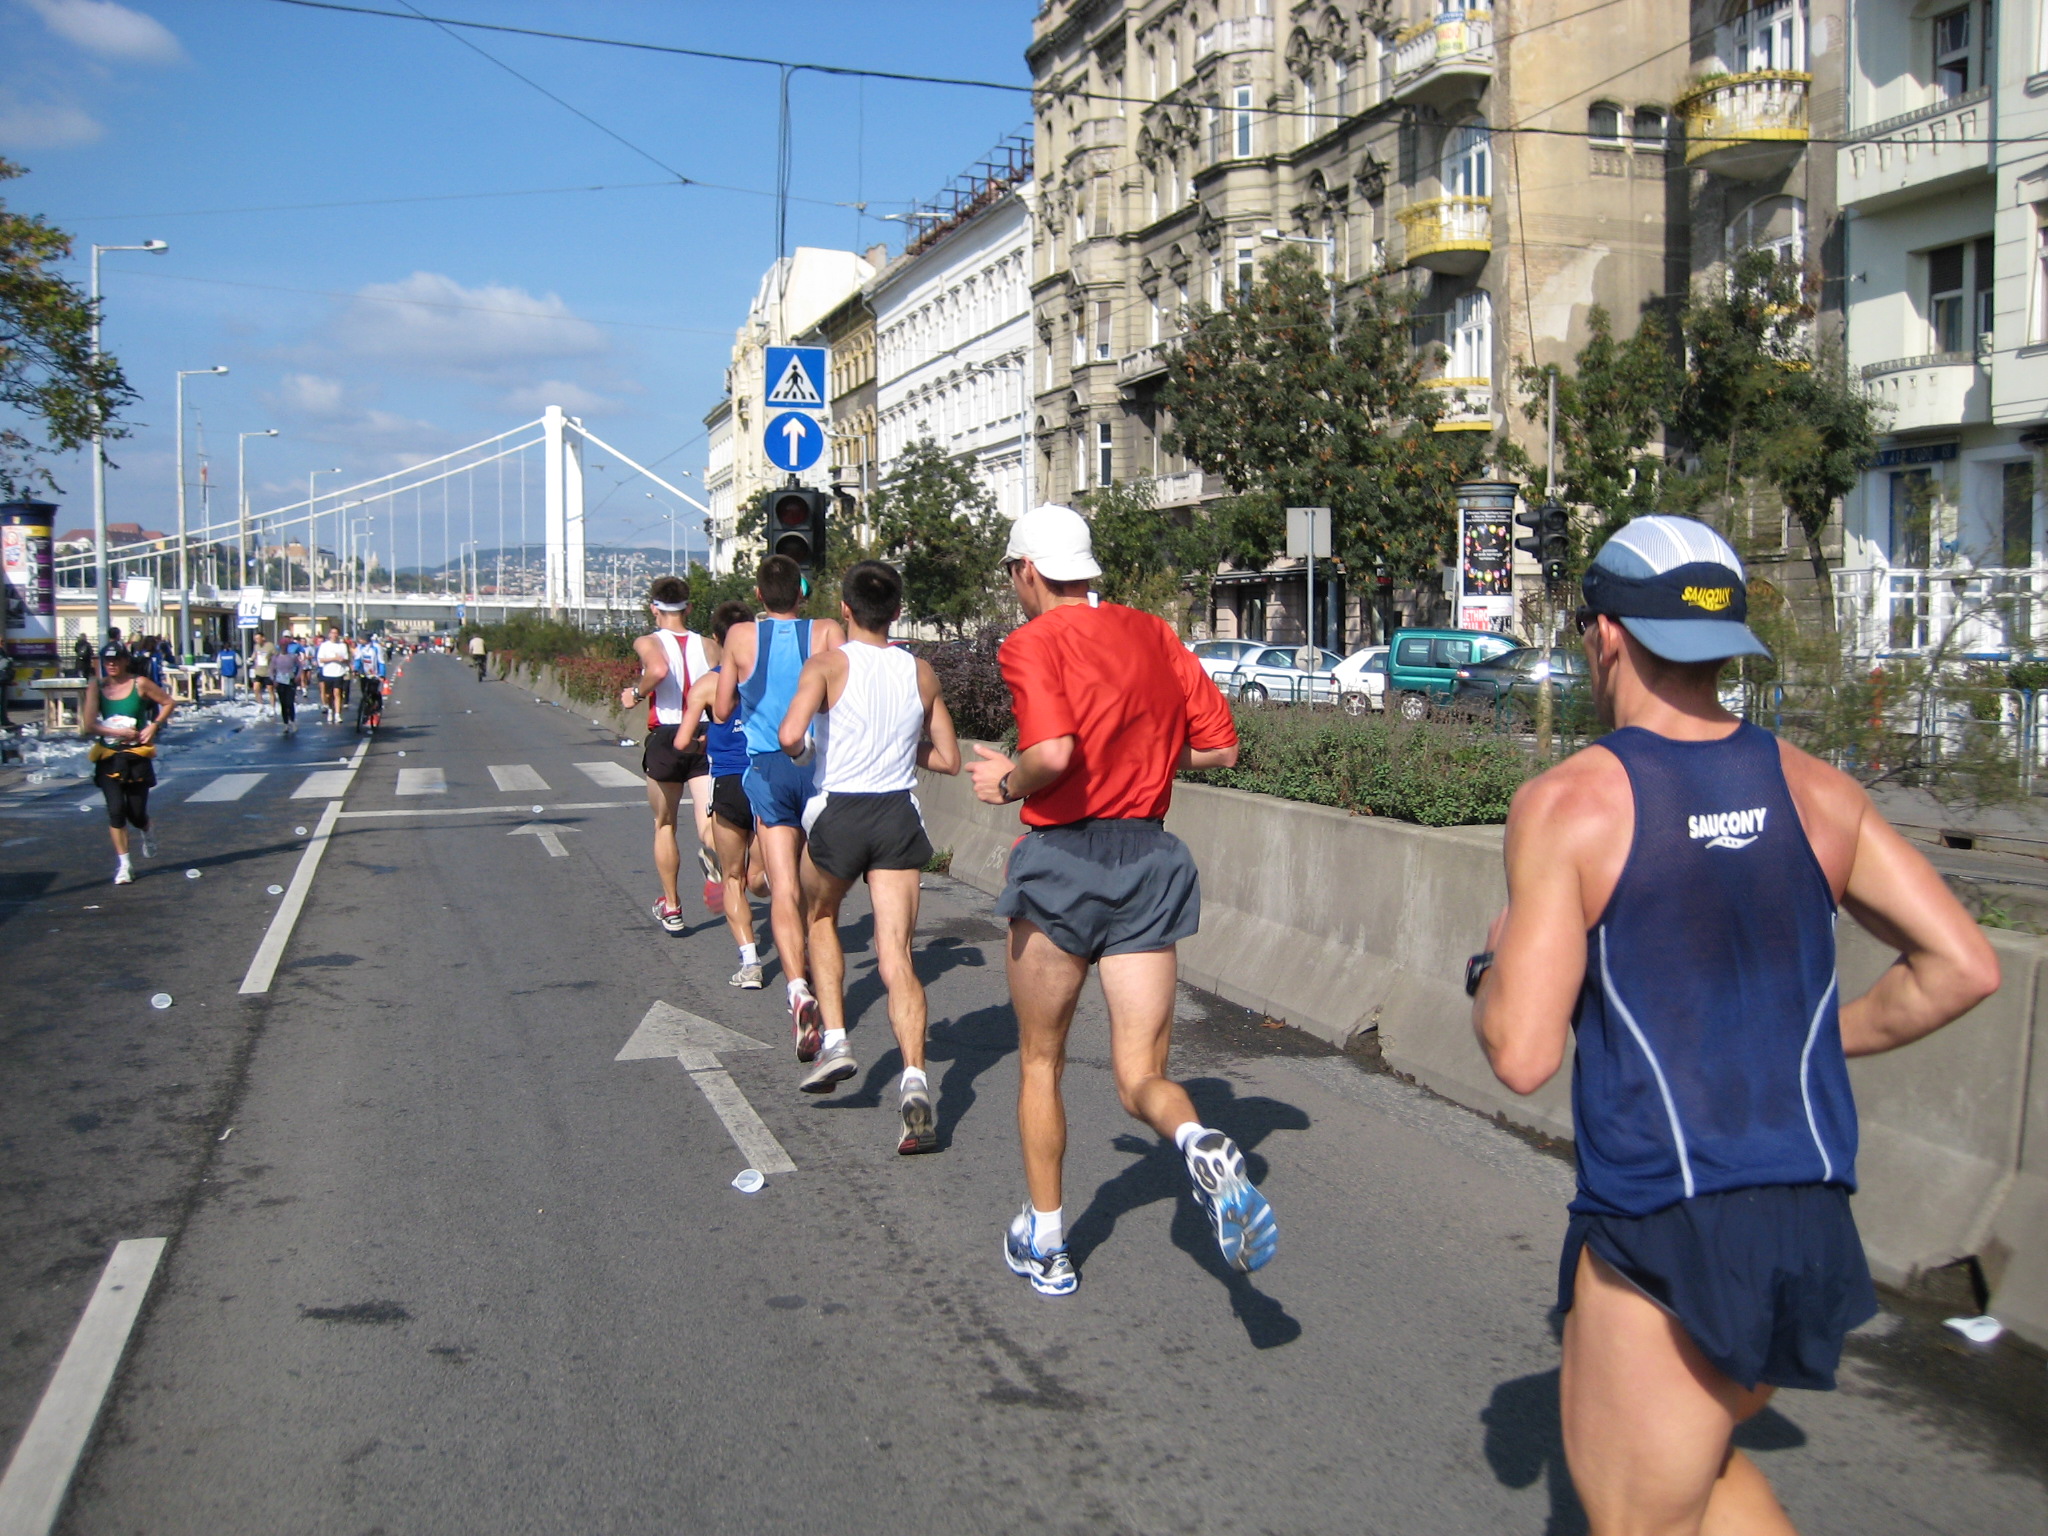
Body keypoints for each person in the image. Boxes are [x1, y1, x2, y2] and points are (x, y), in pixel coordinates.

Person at [1469, 516, 2001, 1536]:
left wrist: (1492, 962)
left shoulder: (1572, 802)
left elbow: (1522, 1053)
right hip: (1806, 1217)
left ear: (1605, 635)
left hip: (1668, 1218)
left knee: (1635, 1522)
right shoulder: (1819, 790)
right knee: (1701, 1488)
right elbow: (1961, 966)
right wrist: (1811, 1039)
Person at [967, 504, 1270, 1297]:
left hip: (1063, 862)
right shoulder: (1155, 634)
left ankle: (1049, 1244)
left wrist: (1006, 781)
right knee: (1142, 1075)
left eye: (1013, 578)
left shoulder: (1030, 641)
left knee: (1041, 1060)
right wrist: (1145, 759)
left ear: (1027, 571)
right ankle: (1198, 1138)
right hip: (1148, 857)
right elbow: (1222, 745)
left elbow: (1053, 753)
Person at [777, 562, 961, 1138]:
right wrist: (901, 751)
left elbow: (789, 736)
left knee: (821, 916)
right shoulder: (921, 671)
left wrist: (809, 756)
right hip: (897, 816)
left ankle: (835, 1041)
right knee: (896, 955)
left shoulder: (828, 665)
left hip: (841, 812)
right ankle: (913, 1080)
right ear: (899, 612)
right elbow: (950, 759)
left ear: (846, 610)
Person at [714, 554, 845, 1054]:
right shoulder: (828, 630)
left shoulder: (741, 638)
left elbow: (723, 708)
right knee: (820, 889)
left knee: (783, 886)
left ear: (759, 595)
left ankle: (796, 989)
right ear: (803, 591)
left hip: (768, 766)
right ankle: (820, 954)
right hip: (818, 765)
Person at [619, 576, 717, 933]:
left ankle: (672, 907)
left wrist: (636, 691)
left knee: (665, 823)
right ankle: (715, 855)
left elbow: (658, 670)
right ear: (689, 607)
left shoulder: (648, 641)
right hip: (704, 734)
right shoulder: (708, 645)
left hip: (666, 735)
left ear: (653, 607)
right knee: (708, 824)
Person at [681, 600, 771, 987]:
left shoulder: (705, 684)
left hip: (729, 782)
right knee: (767, 878)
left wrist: (705, 741)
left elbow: (682, 741)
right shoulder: (769, 678)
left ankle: (750, 963)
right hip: (768, 778)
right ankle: (799, 950)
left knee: (733, 878)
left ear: (718, 639)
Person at [81, 644, 175, 886]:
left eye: (115, 659)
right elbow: (89, 724)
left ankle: (146, 828)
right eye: (106, 660)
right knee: (115, 810)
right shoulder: (97, 687)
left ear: (125, 661)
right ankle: (125, 865)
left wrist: (154, 725)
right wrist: (116, 731)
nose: (111, 664)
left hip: (135, 756)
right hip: (109, 755)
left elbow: (168, 702)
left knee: (135, 812)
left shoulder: (140, 683)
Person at [316, 628, 350, 723]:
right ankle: (330, 710)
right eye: (332, 633)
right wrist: (333, 658)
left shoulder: (342, 646)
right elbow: (321, 659)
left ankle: (338, 714)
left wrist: (342, 660)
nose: (334, 635)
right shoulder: (324, 646)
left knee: (337, 693)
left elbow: (347, 659)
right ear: (329, 634)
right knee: (328, 695)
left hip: (339, 672)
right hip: (327, 673)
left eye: (336, 633)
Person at [353, 632, 386, 730]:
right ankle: (365, 710)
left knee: (373, 691)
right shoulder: (360, 647)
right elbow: (357, 660)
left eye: (361, 639)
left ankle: (376, 706)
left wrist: (382, 674)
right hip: (364, 673)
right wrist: (355, 670)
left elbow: (381, 661)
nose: (360, 640)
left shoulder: (376, 647)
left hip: (375, 674)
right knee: (364, 694)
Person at [270, 639, 303, 735]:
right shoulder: (276, 658)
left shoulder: (292, 656)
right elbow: (271, 669)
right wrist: (273, 680)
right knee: (283, 703)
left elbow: (300, 666)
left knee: (290, 702)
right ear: (279, 646)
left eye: (285, 645)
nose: (283, 647)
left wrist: (297, 676)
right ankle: (285, 723)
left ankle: (292, 721)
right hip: (280, 682)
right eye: (282, 645)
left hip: (290, 681)